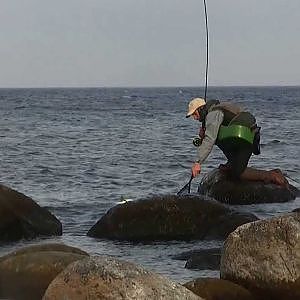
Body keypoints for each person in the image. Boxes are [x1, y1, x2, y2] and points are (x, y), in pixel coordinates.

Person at [186, 97, 288, 187]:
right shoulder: (214, 112)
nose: (195, 118)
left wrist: (198, 162)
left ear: (201, 109)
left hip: (244, 138)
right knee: (233, 166)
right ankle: (232, 163)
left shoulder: (213, 114)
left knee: (239, 173)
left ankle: (272, 176)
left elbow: (210, 139)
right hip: (241, 137)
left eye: (195, 114)